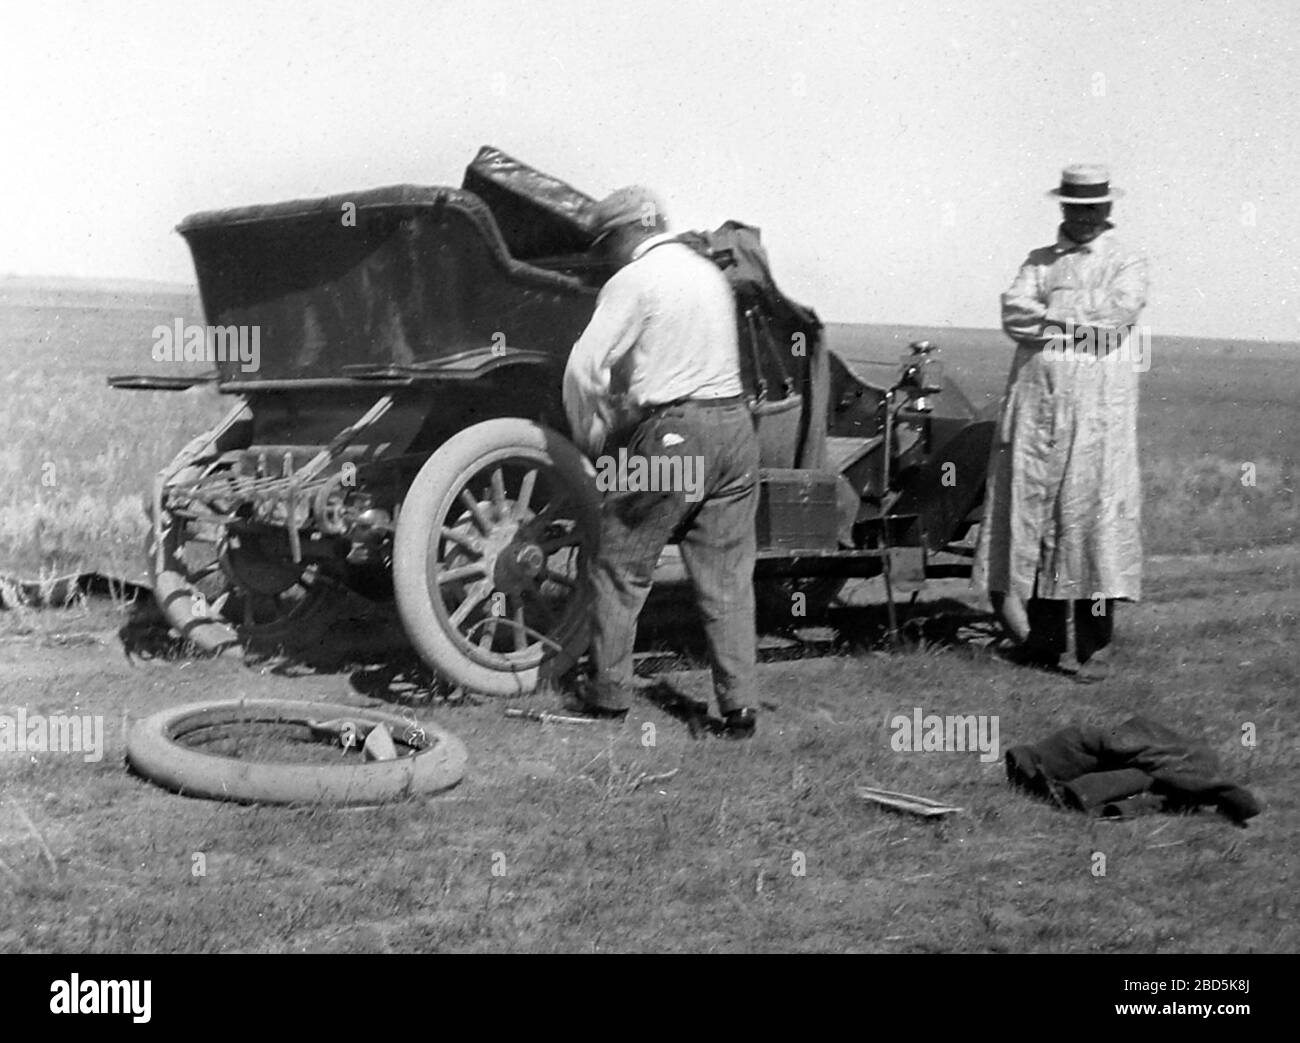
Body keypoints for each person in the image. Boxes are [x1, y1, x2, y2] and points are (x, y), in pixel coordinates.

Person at [562, 186, 760, 735]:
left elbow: (583, 368)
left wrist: (592, 436)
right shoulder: (709, 274)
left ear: (625, 234)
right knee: (726, 577)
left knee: (617, 559)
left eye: (605, 243)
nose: (604, 255)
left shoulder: (633, 279)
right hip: (736, 434)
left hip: (678, 434)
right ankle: (740, 709)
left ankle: (606, 694)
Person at [974, 165, 1149, 681]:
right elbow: (1014, 314)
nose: (1085, 217)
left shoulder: (1126, 261)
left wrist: (1051, 322)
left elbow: (1115, 322)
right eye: (1076, 208)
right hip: (1036, 407)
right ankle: (1043, 643)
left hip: (1098, 412)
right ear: (1063, 209)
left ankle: (1095, 647)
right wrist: (1075, 326)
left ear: (1108, 209)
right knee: (1039, 518)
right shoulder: (1038, 262)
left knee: (1090, 520)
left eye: (1094, 207)